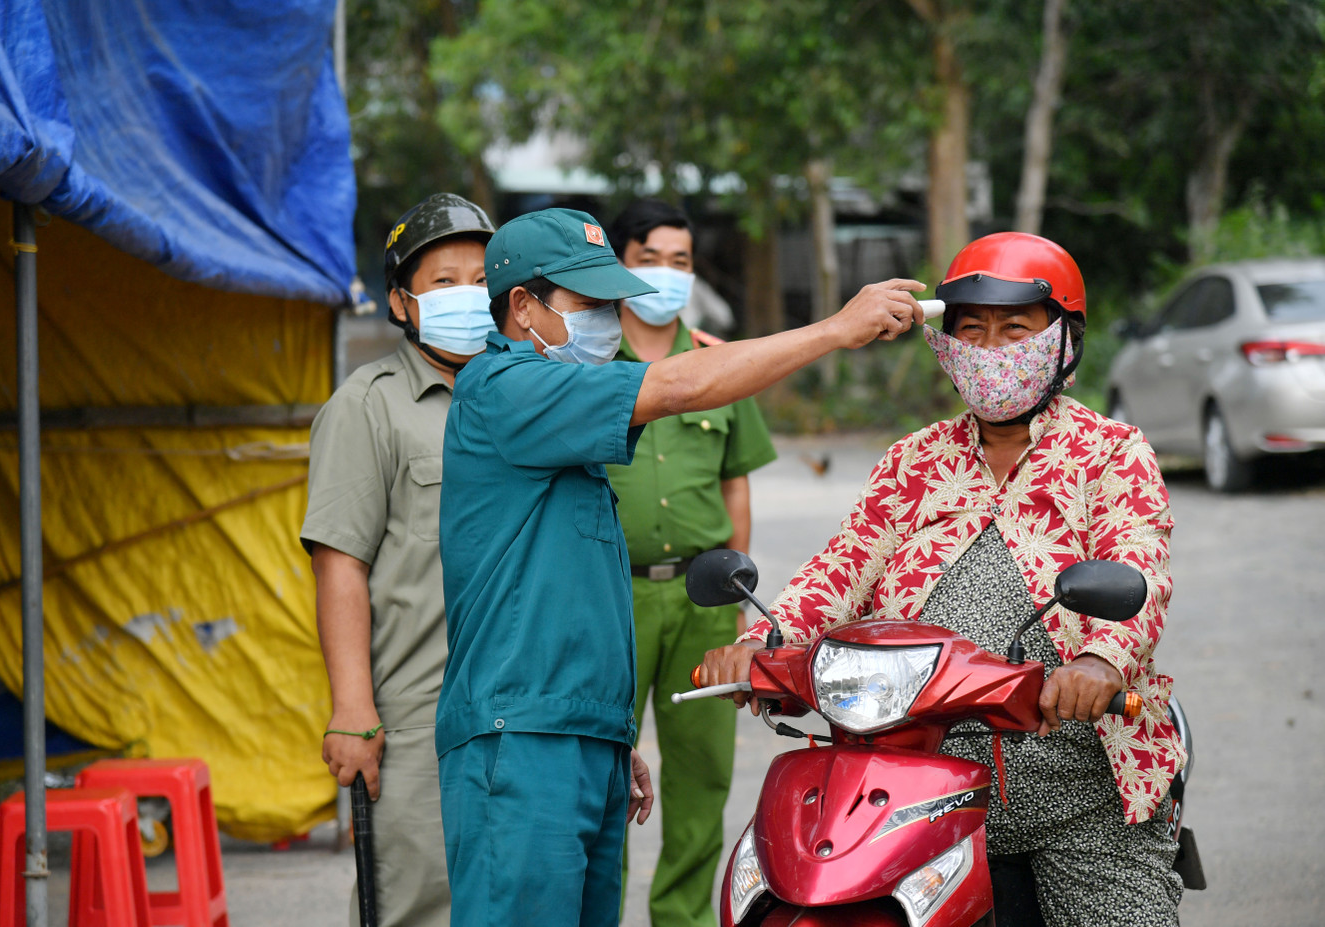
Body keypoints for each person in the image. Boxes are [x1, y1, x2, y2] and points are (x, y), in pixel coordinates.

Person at [436, 207, 926, 927]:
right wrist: (834, 330)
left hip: (574, 733)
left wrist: (608, 734)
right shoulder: (504, 387)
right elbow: (677, 386)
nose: (608, 318)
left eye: (612, 302)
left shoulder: (559, 414)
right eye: (588, 302)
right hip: (523, 739)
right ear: (523, 306)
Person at [702, 232, 1187, 927]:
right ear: (948, 346)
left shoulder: (1111, 452)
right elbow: (842, 565)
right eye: (972, 330)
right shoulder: (913, 459)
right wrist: (764, 641)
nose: (991, 349)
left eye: (1015, 329)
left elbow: (1139, 562)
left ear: (1064, 341)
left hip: (1081, 789)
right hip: (912, 785)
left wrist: (1099, 660)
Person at [301, 193, 497, 927]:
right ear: (400, 302)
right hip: (420, 715)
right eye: (444, 281)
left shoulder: (523, 396)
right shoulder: (367, 406)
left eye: (481, 279)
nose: (467, 295)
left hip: (522, 705)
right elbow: (340, 564)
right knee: (418, 905)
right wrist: (353, 709)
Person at [603, 199, 776, 927]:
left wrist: (736, 594)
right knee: (601, 769)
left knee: (702, 771)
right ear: (618, 266)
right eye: (649, 259)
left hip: (702, 597)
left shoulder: (716, 360)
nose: (666, 274)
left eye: (680, 261)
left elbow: (736, 481)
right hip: (609, 597)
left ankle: (683, 916)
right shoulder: (588, 364)